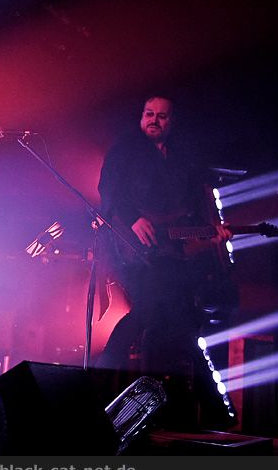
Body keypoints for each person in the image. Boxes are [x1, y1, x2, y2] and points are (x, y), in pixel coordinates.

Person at [93, 94, 232, 414]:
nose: (154, 120)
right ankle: (211, 405)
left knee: (172, 320)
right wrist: (133, 219)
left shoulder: (179, 159)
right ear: (140, 117)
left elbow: (185, 212)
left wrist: (212, 231)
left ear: (172, 122)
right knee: (155, 314)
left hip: (166, 252)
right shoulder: (126, 149)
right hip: (130, 246)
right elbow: (108, 191)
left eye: (162, 116)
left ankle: (166, 402)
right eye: (149, 114)